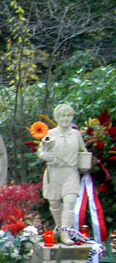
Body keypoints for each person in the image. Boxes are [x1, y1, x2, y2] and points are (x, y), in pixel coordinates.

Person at [37, 104, 90, 245]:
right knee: (54, 203)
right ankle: (60, 228)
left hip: (70, 172)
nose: (65, 119)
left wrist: (85, 163)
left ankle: (65, 233)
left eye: (68, 115)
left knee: (70, 202)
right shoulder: (51, 134)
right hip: (54, 172)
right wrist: (45, 156)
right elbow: (41, 151)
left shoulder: (76, 134)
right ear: (56, 118)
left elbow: (83, 151)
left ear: (72, 117)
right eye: (62, 116)